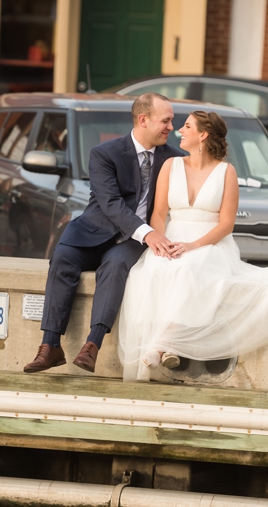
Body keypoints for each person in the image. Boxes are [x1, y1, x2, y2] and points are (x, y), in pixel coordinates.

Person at [115, 109, 268, 382]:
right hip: (171, 239)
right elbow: (158, 213)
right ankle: (167, 345)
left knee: (189, 269)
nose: (180, 130)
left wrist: (192, 245)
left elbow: (226, 225)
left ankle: (163, 343)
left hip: (210, 244)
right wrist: (160, 243)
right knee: (150, 272)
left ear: (203, 135)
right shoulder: (171, 165)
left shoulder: (226, 172)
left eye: (187, 126)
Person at [23, 92, 181, 374]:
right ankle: (50, 346)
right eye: (166, 120)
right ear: (143, 120)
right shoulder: (105, 153)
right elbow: (110, 203)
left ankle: (92, 345)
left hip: (131, 241)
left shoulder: (175, 159)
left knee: (116, 264)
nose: (172, 127)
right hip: (94, 230)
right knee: (62, 259)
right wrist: (147, 233)